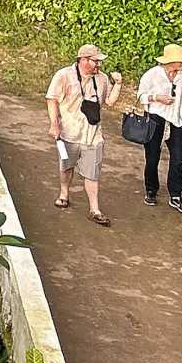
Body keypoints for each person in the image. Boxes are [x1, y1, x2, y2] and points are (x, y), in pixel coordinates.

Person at [47, 43, 123, 226]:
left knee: (92, 172)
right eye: (95, 61)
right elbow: (52, 99)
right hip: (70, 132)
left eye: (99, 61)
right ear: (83, 60)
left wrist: (118, 84)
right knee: (67, 166)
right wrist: (54, 123)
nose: (98, 65)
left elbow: (110, 102)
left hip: (93, 134)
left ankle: (94, 209)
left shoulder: (102, 78)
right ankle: (64, 193)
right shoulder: (64, 75)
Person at [137, 43, 182, 215]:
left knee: (178, 158)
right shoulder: (152, 75)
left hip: (176, 121)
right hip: (156, 118)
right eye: (179, 62)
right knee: (152, 156)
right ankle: (151, 189)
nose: (181, 66)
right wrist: (157, 98)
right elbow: (141, 95)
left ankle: (176, 194)